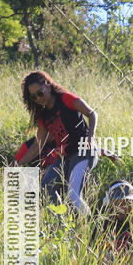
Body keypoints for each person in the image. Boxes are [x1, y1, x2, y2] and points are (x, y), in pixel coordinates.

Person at [17, 70, 98, 214]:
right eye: (34, 97)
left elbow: (91, 114)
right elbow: (38, 145)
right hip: (66, 157)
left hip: (83, 152)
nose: (38, 98)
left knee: (73, 195)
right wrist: (19, 163)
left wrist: (91, 136)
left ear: (48, 85)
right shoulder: (43, 116)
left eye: (40, 93)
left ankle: (92, 229)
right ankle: (61, 223)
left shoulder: (65, 99)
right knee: (45, 187)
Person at [93, 180, 133, 260]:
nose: (123, 208)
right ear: (110, 203)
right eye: (118, 203)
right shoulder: (101, 224)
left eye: (127, 203)